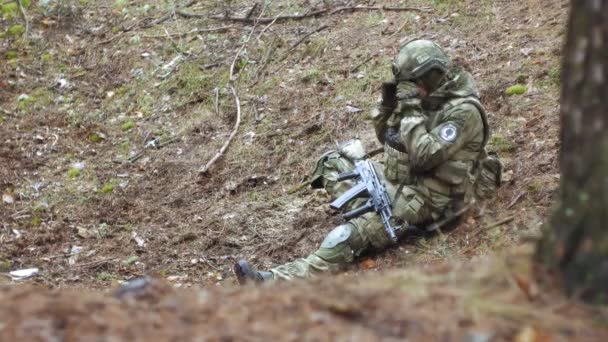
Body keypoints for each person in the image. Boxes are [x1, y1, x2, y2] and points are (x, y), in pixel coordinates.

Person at [234, 39, 502, 284]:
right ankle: (369, 210)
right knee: (333, 163)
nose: (409, 89)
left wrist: (409, 108)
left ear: (430, 77)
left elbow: (422, 157)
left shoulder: (463, 112)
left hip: (431, 202)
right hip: (400, 182)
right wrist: (387, 106)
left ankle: (270, 281)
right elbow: (388, 138)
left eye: (413, 82)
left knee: (347, 237)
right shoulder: (426, 98)